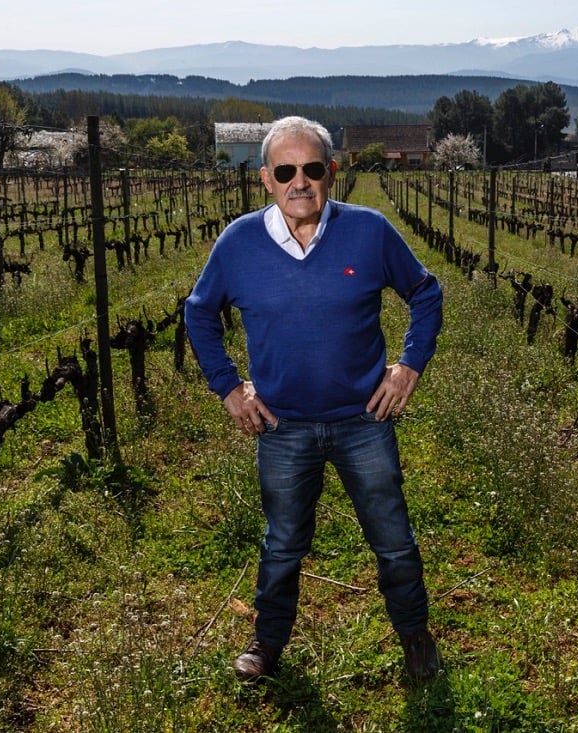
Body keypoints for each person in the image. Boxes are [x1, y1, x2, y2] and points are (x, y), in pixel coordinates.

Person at [184, 116, 444, 684]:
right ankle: (268, 643)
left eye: (311, 168)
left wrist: (408, 367)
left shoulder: (369, 231)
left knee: (393, 539)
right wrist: (228, 386)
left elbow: (426, 292)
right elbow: (199, 313)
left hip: (363, 421)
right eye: (285, 171)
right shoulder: (239, 243)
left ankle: (415, 636)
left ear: (332, 171)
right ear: (266, 179)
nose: (298, 182)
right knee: (282, 544)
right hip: (282, 427)